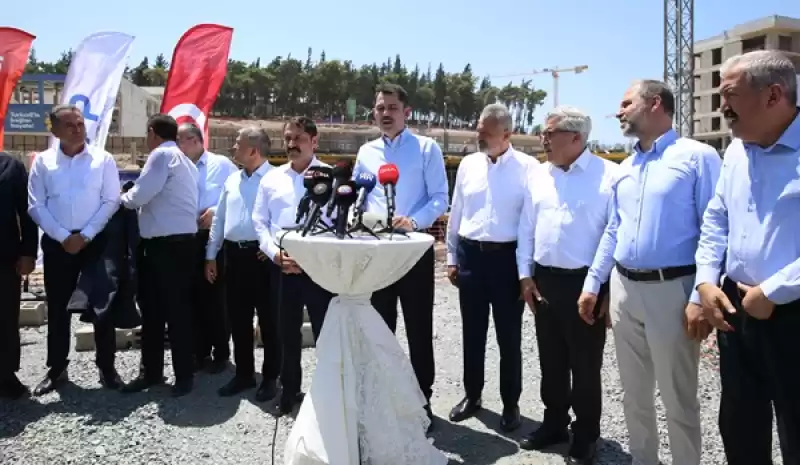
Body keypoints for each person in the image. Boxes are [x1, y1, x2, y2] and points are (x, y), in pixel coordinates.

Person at [578, 80, 721, 465]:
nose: (619, 111)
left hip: (673, 290)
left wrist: (699, 297)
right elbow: (614, 229)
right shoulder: (625, 168)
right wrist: (594, 283)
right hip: (625, 289)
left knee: (678, 398)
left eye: (626, 103)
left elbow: (714, 228)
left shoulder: (697, 157)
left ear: (655, 103)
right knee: (634, 395)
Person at [691, 50, 800, 465]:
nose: (722, 108)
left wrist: (775, 290)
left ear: (773, 96)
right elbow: (717, 219)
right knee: (739, 425)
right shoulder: (736, 151)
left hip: (791, 315)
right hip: (736, 309)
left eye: (730, 95)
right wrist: (705, 282)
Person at [517, 106, 619, 464]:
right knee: (551, 359)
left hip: (586, 285)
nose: (543, 139)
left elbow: (614, 234)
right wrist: (525, 275)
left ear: (576, 138)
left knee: (586, 364)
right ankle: (555, 422)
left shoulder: (609, 176)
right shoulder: (538, 175)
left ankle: (586, 433)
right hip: (544, 280)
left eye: (550, 133)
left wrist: (604, 288)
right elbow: (526, 227)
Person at [354, 83, 449, 428]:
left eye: (392, 107)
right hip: (376, 252)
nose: (385, 114)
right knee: (380, 328)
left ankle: (422, 400)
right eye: (380, 108)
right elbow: (359, 198)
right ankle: (385, 397)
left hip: (413, 251)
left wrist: (414, 221)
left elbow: (440, 198)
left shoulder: (426, 148)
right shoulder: (366, 153)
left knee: (418, 329)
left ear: (406, 112)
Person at [445, 103, 536, 433]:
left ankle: (511, 403)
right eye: (478, 129)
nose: (479, 135)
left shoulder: (528, 168)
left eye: (485, 131)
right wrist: (452, 258)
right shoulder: (469, 165)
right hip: (471, 256)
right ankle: (473, 395)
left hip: (506, 260)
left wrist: (526, 272)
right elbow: (456, 214)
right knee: (472, 332)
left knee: (509, 336)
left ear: (506, 133)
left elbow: (529, 225)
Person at [27, 105, 122, 396]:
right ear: (54, 131)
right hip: (58, 247)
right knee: (58, 309)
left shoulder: (102, 159)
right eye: (69, 125)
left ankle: (107, 367)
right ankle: (57, 370)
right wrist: (63, 237)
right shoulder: (43, 163)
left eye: (80, 123)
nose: (78, 129)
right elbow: (35, 205)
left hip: (95, 245)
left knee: (101, 307)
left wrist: (86, 235)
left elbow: (111, 200)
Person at [252, 116, 334, 415]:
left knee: (326, 332)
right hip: (281, 266)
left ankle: (328, 394)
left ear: (314, 141)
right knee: (286, 333)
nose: (290, 144)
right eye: (287, 138)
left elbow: (341, 223)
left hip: (319, 268)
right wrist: (274, 254)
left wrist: (312, 255)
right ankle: (289, 390)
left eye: (297, 138)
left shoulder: (330, 177)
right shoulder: (271, 179)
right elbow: (259, 223)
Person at [120, 114, 199, 397]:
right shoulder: (185, 160)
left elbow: (138, 197)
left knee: (159, 312)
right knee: (171, 311)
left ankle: (163, 374)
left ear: (152, 132)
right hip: (180, 245)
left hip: (164, 248)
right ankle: (175, 374)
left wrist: (122, 197)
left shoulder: (161, 156)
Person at [205, 127, 277, 401]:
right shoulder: (232, 180)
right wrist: (211, 255)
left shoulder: (276, 179)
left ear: (253, 150)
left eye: (237, 143)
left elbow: (285, 218)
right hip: (233, 258)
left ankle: (271, 377)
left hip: (263, 259)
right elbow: (220, 220)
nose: (233, 147)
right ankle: (244, 375)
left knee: (269, 321)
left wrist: (272, 246)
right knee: (238, 320)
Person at [177, 122, 238, 373]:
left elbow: (238, 193)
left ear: (193, 139)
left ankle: (221, 353)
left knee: (215, 298)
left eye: (179, 141)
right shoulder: (176, 166)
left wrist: (216, 211)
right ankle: (197, 352)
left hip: (212, 238)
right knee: (191, 297)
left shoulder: (221, 165)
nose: (176, 146)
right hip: (185, 238)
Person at [0, 151, 38, 399]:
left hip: (4, 258)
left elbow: (27, 212)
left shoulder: (10, 166)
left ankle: (5, 376)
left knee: (4, 318)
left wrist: (28, 253)